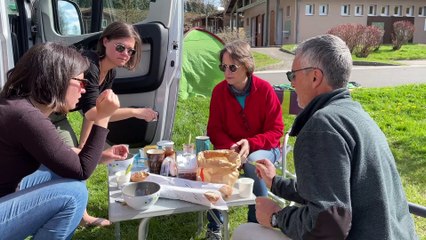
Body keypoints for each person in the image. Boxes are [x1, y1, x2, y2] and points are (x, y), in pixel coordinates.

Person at [232, 34, 418, 240]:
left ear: (315, 77)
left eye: (293, 75)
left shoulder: (321, 127)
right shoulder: (355, 114)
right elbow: (328, 189)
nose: (292, 83)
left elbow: (328, 226)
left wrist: (276, 216)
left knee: (245, 232)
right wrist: (275, 182)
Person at [0, 42, 125, 239]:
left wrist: (99, 157)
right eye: (81, 83)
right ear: (57, 79)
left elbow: (61, 158)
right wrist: (103, 117)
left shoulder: (20, 107)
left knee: (60, 175)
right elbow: (81, 170)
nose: (84, 90)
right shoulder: (26, 117)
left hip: (6, 192)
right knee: (73, 194)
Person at [49, 21, 158, 226]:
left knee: (75, 161)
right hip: (42, 112)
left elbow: (91, 112)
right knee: (67, 163)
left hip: (59, 115)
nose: (125, 53)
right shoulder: (88, 65)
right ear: (105, 41)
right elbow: (94, 112)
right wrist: (136, 112)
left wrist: (83, 145)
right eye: (120, 47)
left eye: (130, 50)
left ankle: (77, 214)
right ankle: (74, 214)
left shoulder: (109, 73)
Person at [206, 40, 284, 239]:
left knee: (253, 161)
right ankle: (214, 226)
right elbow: (214, 130)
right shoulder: (218, 91)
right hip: (230, 149)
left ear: (246, 66)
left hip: (265, 148)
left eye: (232, 67)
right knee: (215, 165)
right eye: (223, 67)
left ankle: (256, 223)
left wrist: (250, 144)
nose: (227, 72)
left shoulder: (265, 90)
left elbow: (276, 130)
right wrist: (231, 149)